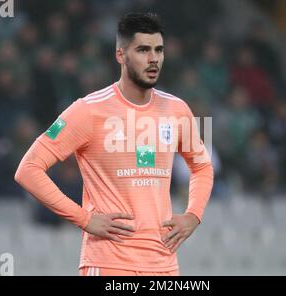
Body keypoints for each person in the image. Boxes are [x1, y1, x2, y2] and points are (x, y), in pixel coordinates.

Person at [14, 12, 214, 276]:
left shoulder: (177, 109)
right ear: (121, 55)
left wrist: (193, 216)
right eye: (143, 50)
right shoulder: (88, 110)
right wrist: (83, 219)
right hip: (108, 263)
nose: (153, 58)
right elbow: (28, 169)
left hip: (163, 265)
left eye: (159, 50)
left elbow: (202, 166)